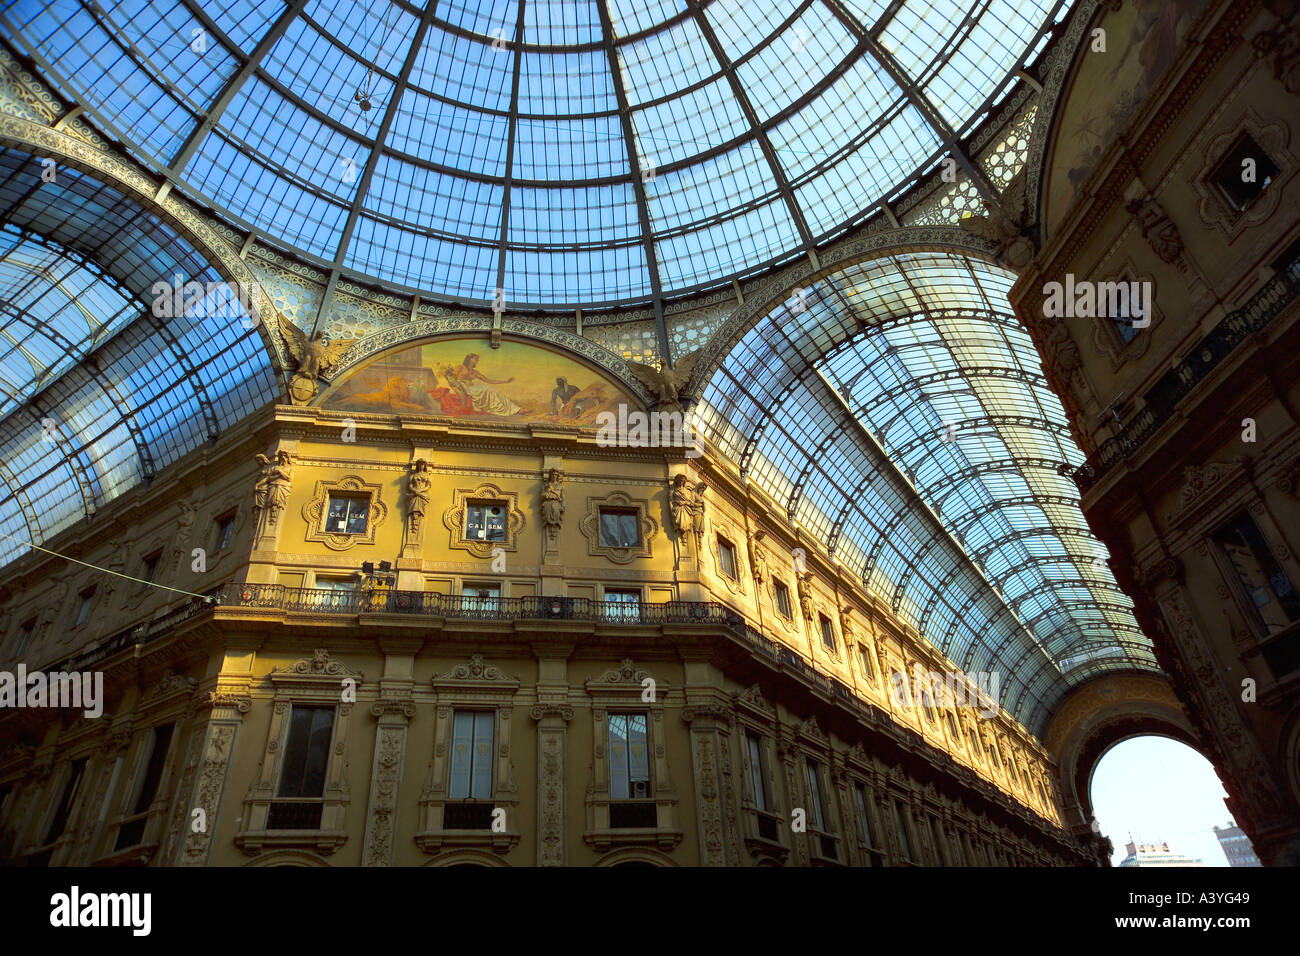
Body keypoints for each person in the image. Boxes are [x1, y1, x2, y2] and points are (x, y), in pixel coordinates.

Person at [446, 353, 521, 416]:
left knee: (492, 389)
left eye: (477, 359)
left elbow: (489, 380)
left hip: (471, 387)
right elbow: (451, 377)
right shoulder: (460, 367)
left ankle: (514, 409)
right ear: (469, 359)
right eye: (475, 358)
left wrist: (505, 381)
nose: (477, 360)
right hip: (462, 387)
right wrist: (455, 388)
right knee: (487, 389)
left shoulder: (475, 372)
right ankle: (506, 409)